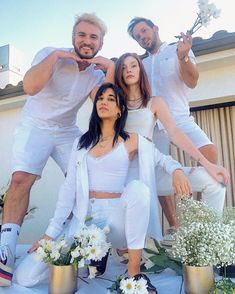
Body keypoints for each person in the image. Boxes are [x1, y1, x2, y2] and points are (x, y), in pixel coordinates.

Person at [15, 83, 192, 293]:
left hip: (115, 220)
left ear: (119, 110)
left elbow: (163, 160)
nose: (103, 102)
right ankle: (97, 255)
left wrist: (177, 171)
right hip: (84, 220)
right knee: (25, 276)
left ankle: (134, 273)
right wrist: (49, 234)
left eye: (110, 99)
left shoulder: (131, 140)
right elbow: (68, 188)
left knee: (138, 189)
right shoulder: (81, 143)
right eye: (100, 98)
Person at [0, 13, 115, 286]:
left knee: (87, 178)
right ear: (73, 37)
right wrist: (56, 58)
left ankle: (83, 243)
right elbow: (30, 87)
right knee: (20, 179)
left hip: (66, 131)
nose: (87, 41)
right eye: (82, 35)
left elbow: (105, 104)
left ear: (100, 43)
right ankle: (5, 252)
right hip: (35, 125)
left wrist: (110, 67)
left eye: (93, 37)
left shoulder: (95, 73)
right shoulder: (50, 53)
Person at [114, 52, 228, 244]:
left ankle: (205, 246)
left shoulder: (155, 102)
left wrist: (207, 164)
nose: (128, 70)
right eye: (123, 67)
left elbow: (175, 132)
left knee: (214, 181)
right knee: (142, 248)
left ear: (141, 71)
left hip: (151, 172)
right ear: (119, 74)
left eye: (133, 65)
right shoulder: (115, 103)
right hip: (123, 178)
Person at [127, 17, 221, 229]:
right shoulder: (140, 65)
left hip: (180, 119)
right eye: (137, 36)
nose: (142, 37)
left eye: (144, 31)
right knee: (155, 171)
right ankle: (175, 225)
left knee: (210, 152)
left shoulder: (177, 50)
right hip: (153, 124)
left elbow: (192, 81)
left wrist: (184, 57)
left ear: (155, 28)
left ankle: (200, 215)